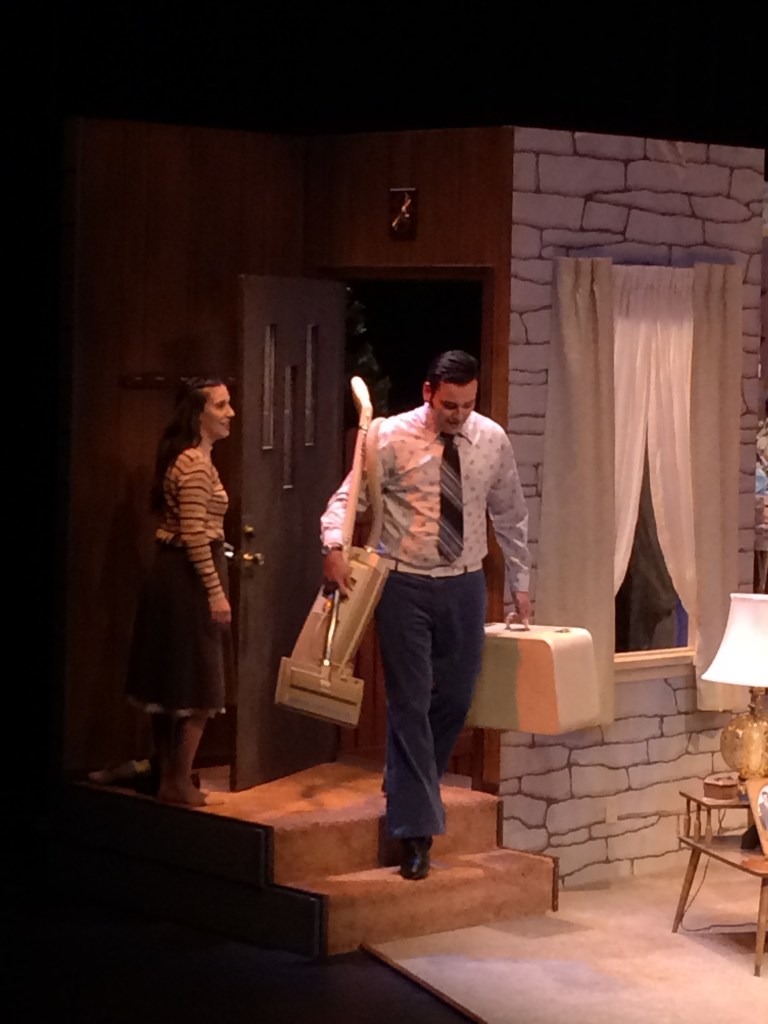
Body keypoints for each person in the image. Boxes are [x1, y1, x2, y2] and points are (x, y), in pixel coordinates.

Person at [321, 350, 530, 879]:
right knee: (409, 701)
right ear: (428, 392)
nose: (458, 415)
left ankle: (406, 781)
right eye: (449, 405)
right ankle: (416, 834)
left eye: (468, 405)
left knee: (457, 696)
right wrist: (333, 545)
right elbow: (349, 498)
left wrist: (521, 583)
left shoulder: (490, 439)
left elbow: (510, 513)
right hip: (403, 582)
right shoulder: (389, 437)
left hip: (464, 582)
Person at [126, 377, 235, 806]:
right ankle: (177, 780)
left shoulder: (193, 459)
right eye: (221, 405)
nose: (230, 413)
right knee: (199, 683)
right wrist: (215, 592)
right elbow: (193, 535)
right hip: (186, 580)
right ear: (197, 413)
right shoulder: (194, 464)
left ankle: (171, 778)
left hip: (176, 576)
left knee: (172, 681)